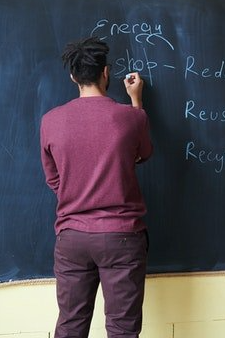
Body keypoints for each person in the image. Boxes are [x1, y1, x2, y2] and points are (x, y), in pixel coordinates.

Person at [40, 36, 153, 338]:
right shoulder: (131, 118)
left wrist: (78, 195)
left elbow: (53, 179)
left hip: (72, 236)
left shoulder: (50, 121)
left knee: (71, 325)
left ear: (73, 76)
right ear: (106, 73)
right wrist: (136, 100)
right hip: (122, 236)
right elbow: (143, 153)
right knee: (122, 329)